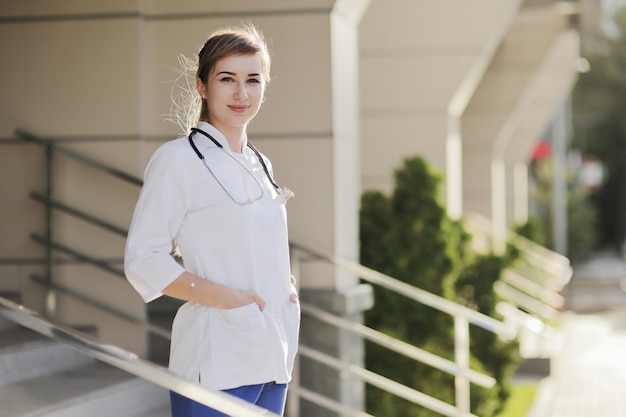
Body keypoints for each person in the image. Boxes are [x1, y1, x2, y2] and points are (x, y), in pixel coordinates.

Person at [124, 23, 299, 417]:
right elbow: (143, 258)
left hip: (273, 355)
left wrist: (284, 289)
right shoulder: (178, 160)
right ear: (203, 86)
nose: (242, 93)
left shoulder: (260, 163)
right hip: (216, 358)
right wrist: (229, 299)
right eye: (227, 79)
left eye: (253, 80)